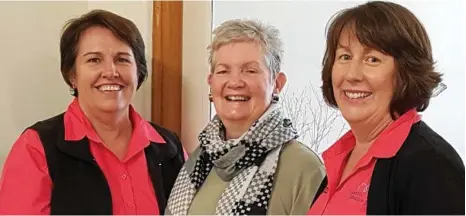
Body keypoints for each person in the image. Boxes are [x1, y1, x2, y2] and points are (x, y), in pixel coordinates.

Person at [0, 10, 185, 215]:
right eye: (94, 60)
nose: (110, 72)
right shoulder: (36, 148)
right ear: (72, 75)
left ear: (138, 72)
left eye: (122, 59)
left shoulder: (170, 148)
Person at [308, 1, 465, 215]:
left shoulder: (431, 166)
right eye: (345, 56)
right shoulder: (344, 155)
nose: (352, 74)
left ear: (406, 72)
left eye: (372, 59)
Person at [165, 19, 325, 215]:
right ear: (211, 82)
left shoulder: (304, 168)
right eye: (223, 71)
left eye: (250, 70)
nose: (235, 82)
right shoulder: (198, 160)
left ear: (277, 83)